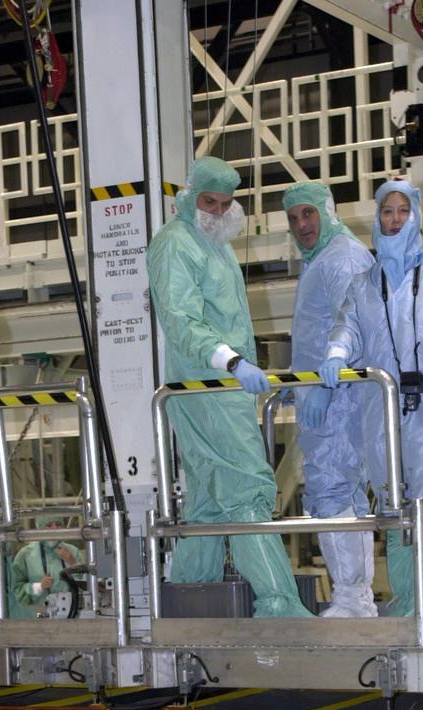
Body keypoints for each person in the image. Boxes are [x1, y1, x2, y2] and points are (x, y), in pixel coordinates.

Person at [146, 156, 312, 618]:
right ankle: (278, 602)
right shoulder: (176, 245)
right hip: (206, 383)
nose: (217, 211)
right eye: (208, 201)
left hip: (221, 386)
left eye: (225, 203)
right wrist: (231, 360)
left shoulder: (213, 245)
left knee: (210, 498)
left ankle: (186, 597)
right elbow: (181, 320)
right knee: (246, 487)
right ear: (188, 196)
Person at [320, 178, 423, 615]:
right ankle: (406, 599)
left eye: (401, 211)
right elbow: (349, 327)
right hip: (382, 412)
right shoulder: (364, 284)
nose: (393, 220)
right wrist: (337, 351)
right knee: (394, 507)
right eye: (386, 212)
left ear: (415, 215)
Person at [284, 181, 375, 618]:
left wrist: (323, 383)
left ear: (327, 210)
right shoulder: (324, 257)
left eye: (308, 213)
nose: (302, 224)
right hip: (328, 396)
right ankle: (356, 598)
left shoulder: (341, 257)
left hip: (338, 400)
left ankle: (352, 600)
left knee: (333, 491)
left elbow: (355, 323)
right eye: (294, 217)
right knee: (342, 494)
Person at [10, 520, 80, 617]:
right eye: (49, 525)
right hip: (37, 617)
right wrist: (38, 587)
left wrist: (74, 564)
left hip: (71, 615)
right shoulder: (26, 554)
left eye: (58, 524)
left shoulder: (73, 551)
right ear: (40, 527)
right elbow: (15, 590)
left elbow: (86, 585)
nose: (54, 529)